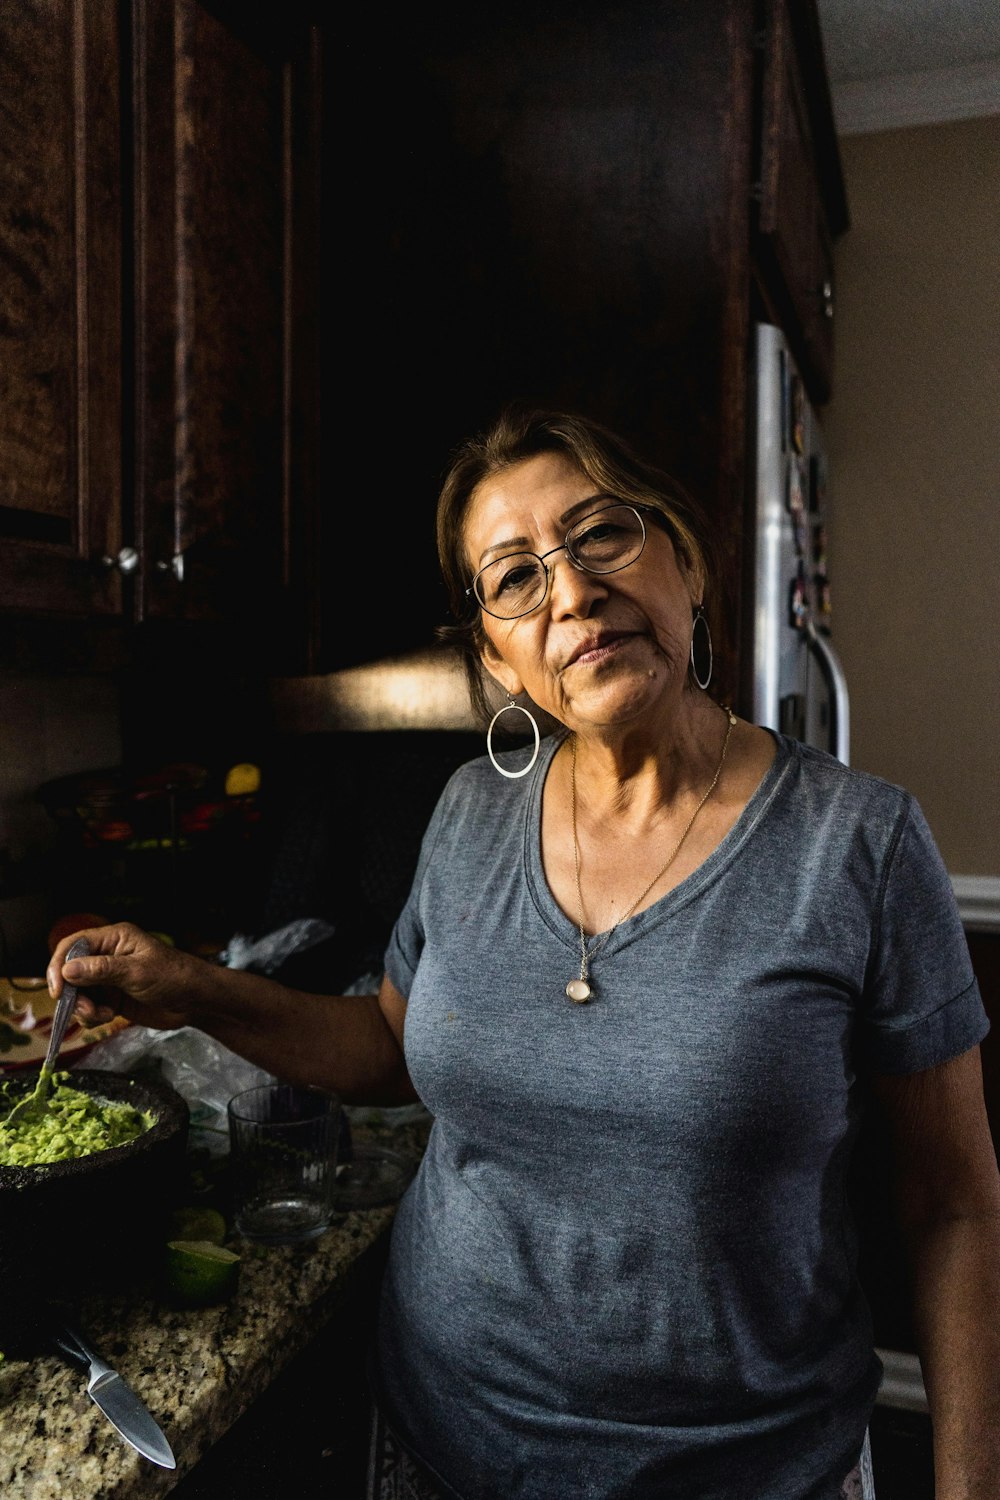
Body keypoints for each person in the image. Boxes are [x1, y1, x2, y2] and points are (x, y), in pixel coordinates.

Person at [51, 406, 1000, 1500]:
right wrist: (188, 988)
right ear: (497, 654)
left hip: (745, 1470)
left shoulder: (861, 844)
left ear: (683, 562)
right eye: (514, 579)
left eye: (600, 534)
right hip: (442, 1443)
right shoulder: (469, 813)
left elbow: (954, 1205)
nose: (571, 592)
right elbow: (388, 1050)